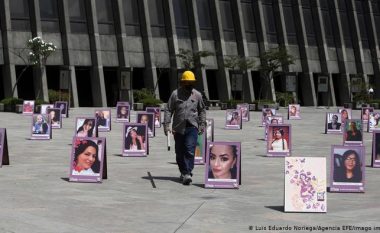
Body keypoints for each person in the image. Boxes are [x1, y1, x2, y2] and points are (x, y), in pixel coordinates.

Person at [164, 70, 206, 185]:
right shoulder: (175, 94)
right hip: (178, 128)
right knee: (179, 152)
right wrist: (166, 125)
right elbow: (168, 110)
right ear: (182, 82)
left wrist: (202, 124)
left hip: (192, 127)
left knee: (189, 149)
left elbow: (202, 110)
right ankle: (183, 172)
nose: (188, 85)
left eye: (191, 82)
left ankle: (187, 173)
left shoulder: (197, 95)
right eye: (186, 82)